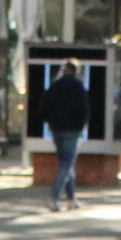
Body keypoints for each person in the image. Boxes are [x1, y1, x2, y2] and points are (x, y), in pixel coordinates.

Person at [42, 65, 89, 211]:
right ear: (77, 71)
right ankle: (53, 197)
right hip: (72, 130)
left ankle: (71, 199)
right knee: (67, 164)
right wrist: (82, 124)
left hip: (56, 129)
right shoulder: (78, 86)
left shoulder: (55, 85)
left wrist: (50, 121)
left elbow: (44, 106)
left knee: (66, 163)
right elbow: (84, 108)